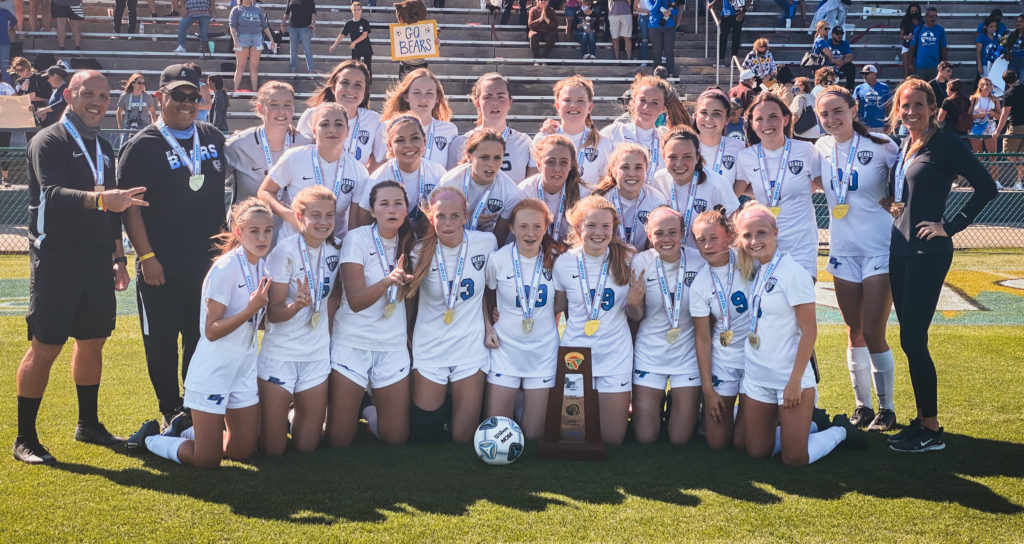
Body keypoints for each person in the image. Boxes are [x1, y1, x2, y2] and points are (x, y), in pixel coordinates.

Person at [14, 70, 148, 465]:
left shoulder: (104, 147)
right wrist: (105, 199)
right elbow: (53, 195)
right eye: (88, 93)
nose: (97, 101)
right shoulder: (49, 140)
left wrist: (119, 258)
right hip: (56, 256)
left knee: (93, 340)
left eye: (104, 95)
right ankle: (25, 438)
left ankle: (87, 424)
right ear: (69, 96)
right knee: (46, 345)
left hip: (95, 260)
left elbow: (112, 215)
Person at [882, 78, 997, 452]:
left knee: (914, 339)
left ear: (933, 107)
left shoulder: (946, 143)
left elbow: (987, 187)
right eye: (904, 105)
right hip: (899, 249)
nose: (911, 111)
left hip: (927, 254)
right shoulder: (905, 144)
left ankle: (930, 429)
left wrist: (950, 226)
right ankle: (922, 421)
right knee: (908, 339)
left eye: (918, 105)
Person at [118, 64, 228, 431]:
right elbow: (131, 208)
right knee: (162, 339)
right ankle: (170, 406)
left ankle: (195, 403)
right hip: (160, 262)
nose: (186, 103)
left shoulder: (211, 135)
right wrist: (147, 257)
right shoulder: (142, 145)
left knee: (200, 334)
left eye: (193, 97)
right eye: (177, 96)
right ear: (159, 97)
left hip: (207, 264)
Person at [127, 198, 272, 467]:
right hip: (213, 371)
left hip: (243, 367)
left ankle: (187, 431)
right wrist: (251, 309)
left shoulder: (262, 266)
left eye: (268, 230)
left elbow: (255, 321)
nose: (262, 238)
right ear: (238, 232)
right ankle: (148, 439)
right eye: (254, 231)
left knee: (243, 451)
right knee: (207, 459)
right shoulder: (225, 268)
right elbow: (211, 331)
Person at [734, 203, 866, 466]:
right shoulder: (756, 269)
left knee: (795, 459)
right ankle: (811, 424)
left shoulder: (793, 272)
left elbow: (809, 331)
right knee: (756, 451)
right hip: (758, 377)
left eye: (761, 233)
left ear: (775, 232)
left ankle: (839, 431)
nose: (754, 241)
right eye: (747, 235)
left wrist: (795, 381)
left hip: (788, 378)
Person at [814, 85, 901, 431]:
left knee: (873, 330)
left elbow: (906, 186)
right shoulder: (819, 148)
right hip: (843, 250)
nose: (832, 119)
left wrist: (897, 208)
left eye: (838, 111)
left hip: (879, 247)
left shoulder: (882, 146)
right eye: (825, 114)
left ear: (854, 109)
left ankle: (887, 408)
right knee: (853, 330)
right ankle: (862, 407)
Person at [406, 187, 498, 443]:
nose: (448, 223)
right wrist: (408, 335)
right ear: (430, 217)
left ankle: (454, 411)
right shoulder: (419, 251)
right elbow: (409, 301)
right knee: (425, 435)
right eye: (441, 216)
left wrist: (489, 325)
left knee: (463, 437)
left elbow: (488, 292)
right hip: (430, 345)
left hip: (469, 345)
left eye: (455, 216)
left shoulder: (486, 243)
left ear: (466, 216)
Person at [330, 181, 416, 446]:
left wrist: (409, 338)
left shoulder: (413, 243)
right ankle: (297, 411)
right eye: (384, 204)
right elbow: (355, 301)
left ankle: (366, 408)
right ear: (372, 210)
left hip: (391, 346)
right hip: (353, 343)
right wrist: (387, 281)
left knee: (396, 437)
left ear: (406, 209)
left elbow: (412, 301)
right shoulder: (357, 238)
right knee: (338, 440)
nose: (392, 209)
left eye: (398, 203)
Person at [258, 186, 340, 455]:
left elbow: (334, 298)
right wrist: (297, 305)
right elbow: (274, 314)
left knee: (308, 445)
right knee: (272, 449)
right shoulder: (285, 252)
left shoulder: (335, 250)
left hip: (315, 356)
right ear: (298, 216)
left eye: (330, 215)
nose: (324, 222)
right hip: (281, 354)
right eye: (315, 215)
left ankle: (291, 415)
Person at [552, 194, 635, 445]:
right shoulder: (564, 263)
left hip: (615, 355)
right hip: (576, 353)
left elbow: (638, 315)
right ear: (577, 229)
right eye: (591, 225)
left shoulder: (629, 258)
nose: (598, 232)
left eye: (605, 226)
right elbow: (556, 308)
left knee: (612, 439)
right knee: (573, 436)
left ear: (613, 229)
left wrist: (634, 302)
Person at [483, 199, 564, 440]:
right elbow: (485, 297)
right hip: (505, 349)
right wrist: (489, 325)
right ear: (512, 228)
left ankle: (522, 404)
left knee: (534, 435)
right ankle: (515, 397)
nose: (530, 233)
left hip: (542, 351)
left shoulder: (557, 259)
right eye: (523, 226)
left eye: (537, 227)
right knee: (496, 433)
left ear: (546, 227)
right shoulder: (498, 259)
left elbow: (560, 303)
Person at [626, 206, 705, 445]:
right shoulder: (640, 262)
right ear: (650, 236)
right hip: (650, 352)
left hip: (687, 356)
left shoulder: (699, 260)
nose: (666, 239)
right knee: (645, 437)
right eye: (659, 233)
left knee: (680, 439)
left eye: (673, 232)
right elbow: (636, 315)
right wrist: (632, 302)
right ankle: (656, 400)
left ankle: (678, 403)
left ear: (683, 234)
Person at [735, 92, 823, 278]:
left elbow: (821, 184)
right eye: (759, 118)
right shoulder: (746, 156)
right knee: (768, 303)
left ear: (785, 119)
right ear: (752, 123)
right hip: (763, 243)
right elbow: (737, 191)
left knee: (800, 301)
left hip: (801, 242)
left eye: (773, 116)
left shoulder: (806, 150)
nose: (766, 124)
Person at [260, 103, 369, 241]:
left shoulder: (359, 171)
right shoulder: (295, 157)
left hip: (334, 250)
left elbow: (354, 226)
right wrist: (289, 215)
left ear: (347, 131)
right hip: (294, 244)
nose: (332, 130)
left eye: (339, 124)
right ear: (314, 131)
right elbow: (265, 192)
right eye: (324, 124)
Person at [689, 209, 750, 450]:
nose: (707, 245)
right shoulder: (700, 284)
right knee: (717, 443)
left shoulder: (748, 260)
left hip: (755, 358)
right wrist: (708, 391)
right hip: (724, 360)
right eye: (701, 240)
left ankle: (818, 427)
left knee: (745, 442)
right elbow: (702, 339)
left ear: (729, 235)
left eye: (713, 237)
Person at [225, 81, 310, 209]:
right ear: (260, 108)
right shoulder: (238, 145)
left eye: (287, 105)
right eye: (273, 105)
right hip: (249, 226)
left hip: (291, 226)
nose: (281, 111)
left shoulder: (305, 144)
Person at [654, 127, 739, 249]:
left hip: (706, 261)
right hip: (669, 259)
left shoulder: (717, 184)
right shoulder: (657, 181)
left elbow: (734, 230)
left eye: (687, 156)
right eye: (672, 157)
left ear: (697, 157)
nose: (679, 163)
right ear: (663, 157)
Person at [357, 115, 447, 227]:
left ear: (424, 141)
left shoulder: (438, 173)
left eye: (414, 138)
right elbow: (363, 223)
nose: (408, 145)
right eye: (400, 140)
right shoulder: (378, 177)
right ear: (390, 146)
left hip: (426, 241)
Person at [297, 60, 386, 172]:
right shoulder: (312, 115)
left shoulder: (374, 120)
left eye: (358, 85)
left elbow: (379, 160)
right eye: (344, 82)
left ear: (365, 91)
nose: (350, 90)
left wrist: (362, 183)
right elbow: (299, 156)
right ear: (334, 87)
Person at [448, 73, 538, 184]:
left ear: (510, 102)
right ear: (477, 102)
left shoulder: (524, 143)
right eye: (487, 97)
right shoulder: (460, 143)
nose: (495, 102)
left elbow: (530, 189)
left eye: (501, 97)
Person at [439, 129, 521, 242]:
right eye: (484, 157)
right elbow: (435, 224)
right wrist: (466, 218)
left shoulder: (510, 192)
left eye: (497, 158)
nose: (491, 164)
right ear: (469, 157)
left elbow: (497, 241)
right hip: (450, 241)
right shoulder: (449, 182)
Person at [602, 73, 688, 181]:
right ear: (633, 101)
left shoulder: (668, 138)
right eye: (642, 100)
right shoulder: (613, 133)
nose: (647, 107)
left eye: (655, 103)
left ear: (663, 108)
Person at [533, 75, 614, 186]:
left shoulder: (603, 142)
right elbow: (533, 180)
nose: (573, 105)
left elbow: (604, 186)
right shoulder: (542, 138)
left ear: (590, 107)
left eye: (580, 100)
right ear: (557, 106)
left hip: (588, 202)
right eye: (567, 100)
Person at [592, 143, 668, 249]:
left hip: (643, 262)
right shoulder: (601, 200)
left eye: (638, 167)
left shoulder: (658, 202)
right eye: (625, 167)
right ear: (614, 171)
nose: (632, 173)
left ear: (646, 171)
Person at [380, 68, 458, 169]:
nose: (423, 99)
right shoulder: (387, 127)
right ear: (406, 96)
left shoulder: (449, 130)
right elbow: (379, 166)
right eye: (417, 93)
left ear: (437, 98)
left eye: (429, 93)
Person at [692, 88, 746, 187]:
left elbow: (743, 180)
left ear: (727, 119)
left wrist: (728, 201)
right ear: (695, 116)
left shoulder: (738, 147)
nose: (709, 119)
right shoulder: (685, 145)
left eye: (716, 114)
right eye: (704, 113)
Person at [229, 0, 275, 94]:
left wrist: (271, 39)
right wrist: (235, 40)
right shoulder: (236, 9)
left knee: (254, 67)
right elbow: (232, 26)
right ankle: (235, 90)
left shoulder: (257, 9)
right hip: (242, 37)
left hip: (257, 37)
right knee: (240, 66)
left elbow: (264, 26)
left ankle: (254, 91)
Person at [995, 70, 1024, 189]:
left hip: (1016, 125)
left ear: (1005, 82)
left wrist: (997, 131)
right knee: (1021, 155)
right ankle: (1018, 183)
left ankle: (1020, 171)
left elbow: (1004, 114)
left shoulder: (1008, 94)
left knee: (1007, 151)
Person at [115, 74, 158, 148]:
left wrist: (154, 127)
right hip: (128, 125)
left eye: (143, 83)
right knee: (123, 147)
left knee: (146, 147)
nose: (142, 85)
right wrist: (120, 127)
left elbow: (153, 113)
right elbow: (119, 112)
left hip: (144, 125)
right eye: (139, 83)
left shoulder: (147, 96)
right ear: (133, 84)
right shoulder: (125, 96)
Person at [331, 3, 372, 77]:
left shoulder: (365, 22)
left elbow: (364, 35)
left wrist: (354, 42)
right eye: (355, 9)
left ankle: (367, 86)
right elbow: (342, 34)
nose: (357, 11)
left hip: (366, 48)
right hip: (356, 49)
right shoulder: (349, 24)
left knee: (367, 69)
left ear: (361, 11)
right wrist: (334, 45)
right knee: (355, 68)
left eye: (358, 9)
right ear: (352, 11)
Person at [711, 0, 753, 68]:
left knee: (736, 37)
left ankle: (734, 60)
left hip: (737, 14)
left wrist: (742, 12)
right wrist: (712, 3)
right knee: (723, 37)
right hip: (725, 15)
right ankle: (721, 60)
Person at [909, 7, 946, 77]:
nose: (933, 19)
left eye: (935, 17)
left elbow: (943, 47)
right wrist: (910, 63)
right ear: (925, 17)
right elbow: (912, 46)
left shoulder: (940, 30)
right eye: (930, 17)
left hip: (935, 67)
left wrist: (943, 64)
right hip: (919, 66)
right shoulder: (918, 29)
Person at [852, 65, 891, 132]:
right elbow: (855, 106)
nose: (864, 76)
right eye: (863, 74)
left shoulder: (884, 87)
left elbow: (889, 105)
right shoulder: (859, 88)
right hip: (863, 125)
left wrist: (888, 123)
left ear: (874, 74)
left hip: (879, 125)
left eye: (866, 73)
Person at [283, 0, 317, 74]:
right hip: (292, 28)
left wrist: (313, 23)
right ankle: (293, 71)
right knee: (293, 50)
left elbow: (313, 12)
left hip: (305, 28)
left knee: (307, 50)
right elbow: (287, 12)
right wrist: (282, 23)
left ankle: (310, 72)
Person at [645, 0, 677, 76]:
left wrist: (670, 12)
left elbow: (676, 10)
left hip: (669, 26)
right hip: (654, 27)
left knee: (669, 51)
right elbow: (652, 10)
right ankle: (658, 76)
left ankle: (671, 74)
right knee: (657, 52)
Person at [969, 77, 1001, 153]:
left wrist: (994, 114)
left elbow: (1000, 116)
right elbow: (968, 116)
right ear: (981, 86)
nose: (989, 86)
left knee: (992, 155)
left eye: (991, 84)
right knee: (978, 154)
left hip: (990, 127)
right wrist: (978, 116)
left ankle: (993, 166)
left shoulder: (995, 99)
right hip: (975, 127)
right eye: (987, 84)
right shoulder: (973, 98)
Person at [822, 26, 855, 91]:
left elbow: (849, 57)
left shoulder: (844, 43)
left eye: (841, 34)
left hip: (840, 65)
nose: (839, 36)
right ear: (832, 34)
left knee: (851, 67)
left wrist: (841, 63)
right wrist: (835, 62)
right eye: (837, 34)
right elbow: (825, 58)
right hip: (829, 66)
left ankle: (849, 89)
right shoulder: (827, 43)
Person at [790, 77, 820, 141]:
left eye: (795, 85)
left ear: (802, 87)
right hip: (816, 133)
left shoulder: (799, 98)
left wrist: (790, 128)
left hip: (803, 134)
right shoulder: (812, 96)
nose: (793, 87)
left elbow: (795, 116)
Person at [899, 3, 922, 78]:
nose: (914, 13)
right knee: (907, 69)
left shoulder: (922, 23)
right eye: (912, 11)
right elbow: (901, 36)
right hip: (907, 47)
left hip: (918, 48)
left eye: (915, 11)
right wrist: (907, 37)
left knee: (914, 70)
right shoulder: (906, 21)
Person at [1004, 15, 1024, 80]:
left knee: (1022, 81)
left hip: (1022, 62)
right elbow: (1007, 46)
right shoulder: (1012, 34)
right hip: (1012, 61)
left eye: (1020, 21)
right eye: (1017, 21)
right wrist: (1007, 54)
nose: (1018, 23)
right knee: (1011, 81)